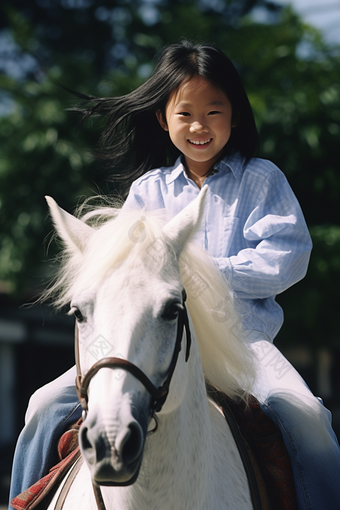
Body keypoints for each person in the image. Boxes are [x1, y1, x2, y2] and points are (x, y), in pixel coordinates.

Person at [9, 40, 340, 510]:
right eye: (185, 114)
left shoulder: (262, 179)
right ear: (164, 120)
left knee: (308, 419)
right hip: (143, 339)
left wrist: (196, 277)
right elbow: (120, 271)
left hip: (243, 343)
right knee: (43, 405)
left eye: (214, 111)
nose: (199, 125)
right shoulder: (148, 190)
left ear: (236, 116)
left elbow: (287, 258)